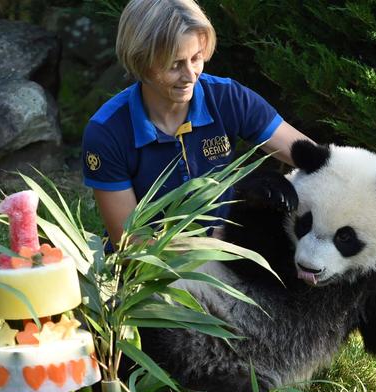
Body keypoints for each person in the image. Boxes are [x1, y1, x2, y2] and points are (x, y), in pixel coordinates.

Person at [81, 0, 312, 247]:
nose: (190, 75)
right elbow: (130, 241)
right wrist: (213, 245)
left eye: (196, 58)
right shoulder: (106, 132)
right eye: (175, 64)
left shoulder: (229, 97)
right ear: (141, 61)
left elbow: (313, 157)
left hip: (227, 252)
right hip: (149, 269)